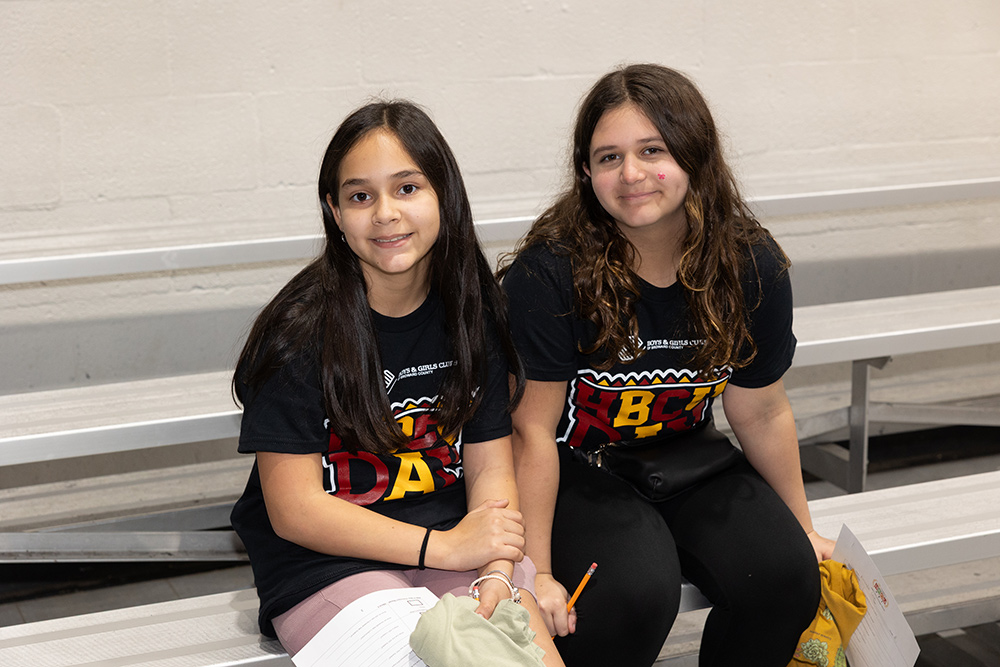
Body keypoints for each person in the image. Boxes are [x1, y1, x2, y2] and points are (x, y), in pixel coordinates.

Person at [499, 64, 835, 667]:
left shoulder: (749, 264)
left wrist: (802, 529)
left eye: (652, 150)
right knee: (632, 594)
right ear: (585, 172)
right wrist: (537, 574)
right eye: (608, 157)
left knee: (784, 577)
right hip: (578, 470)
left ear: (693, 155)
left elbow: (760, 408)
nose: (631, 174)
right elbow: (530, 433)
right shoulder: (549, 274)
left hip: (687, 458)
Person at [231, 100, 563, 666]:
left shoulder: (471, 314)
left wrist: (497, 568)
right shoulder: (300, 331)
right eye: (361, 196)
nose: (385, 213)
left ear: (444, 196)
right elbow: (296, 510)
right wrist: (446, 546)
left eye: (407, 188)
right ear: (335, 213)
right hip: (328, 564)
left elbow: (489, 464)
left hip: (457, 546)